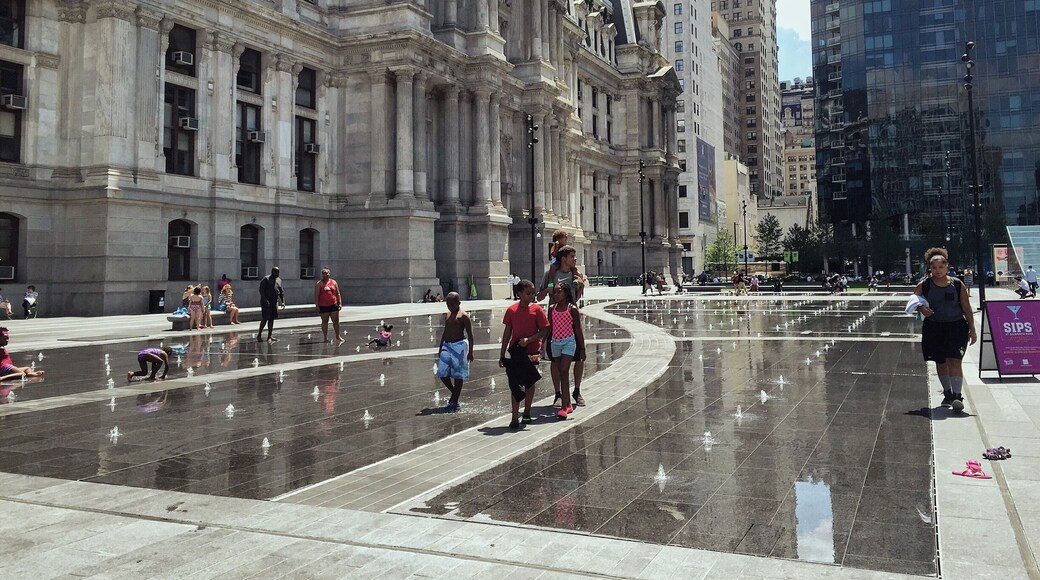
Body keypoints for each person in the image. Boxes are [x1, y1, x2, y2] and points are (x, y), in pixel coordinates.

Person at [913, 247, 977, 412]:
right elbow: (913, 301)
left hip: (956, 327)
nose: (938, 270)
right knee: (940, 361)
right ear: (930, 268)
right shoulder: (924, 285)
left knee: (955, 360)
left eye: (941, 267)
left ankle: (957, 396)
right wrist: (921, 308)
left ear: (947, 267)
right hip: (934, 328)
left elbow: (966, 308)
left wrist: (972, 329)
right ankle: (947, 393)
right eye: (934, 267)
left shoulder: (957, 284)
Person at [540, 245, 588, 407]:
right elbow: (539, 297)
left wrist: (580, 286)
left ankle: (577, 390)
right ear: (563, 258)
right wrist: (549, 289)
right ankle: (558, 394)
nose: (575, 259)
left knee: (579, 357)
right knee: (555, 360)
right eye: (572, 257)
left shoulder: (576, 274)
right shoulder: (551, 274)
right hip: (554, 319)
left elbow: (576, 298)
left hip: (571, 317)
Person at [499, 279, 549, 430]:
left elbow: (545, 330)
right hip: (516, 351)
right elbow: (507, 333)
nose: (531, 296)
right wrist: (502, 353)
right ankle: (514, 416)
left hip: (532, 351)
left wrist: (530, 340)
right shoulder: (511, 310)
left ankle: (526, 412)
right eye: (528, 293)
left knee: (529, 382)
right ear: (519, 294)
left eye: (533, 293)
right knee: (515, 383)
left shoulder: (537, 310)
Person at [548, 285, 585, 420]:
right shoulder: (552, 308)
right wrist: (542, 344)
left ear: (566, 293)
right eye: (554, 292)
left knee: (564, 372)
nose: (556, 294)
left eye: (559, 292)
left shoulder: (572, 309)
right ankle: (568, 403)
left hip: (568, 342)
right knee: (560, 371)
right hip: (555, 343)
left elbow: (578, 329)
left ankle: (564, 408)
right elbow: (549, 327)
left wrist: (582, 348)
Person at [437, 292, 475, 412]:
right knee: (442, 373)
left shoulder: (463, 316)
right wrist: (440, 347)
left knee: (458, 374)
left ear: (459, 303)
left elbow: (470, 334)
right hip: (447, 345)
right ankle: (455, 393)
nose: (450, 307)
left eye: (452, 305)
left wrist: (471, 352)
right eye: (448, 304)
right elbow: (445, 331)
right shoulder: (448, 315)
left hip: (459, 346)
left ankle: (454, 401)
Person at [314, 268, 345, 343]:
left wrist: (340, 303)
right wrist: (317, 305)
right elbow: (316, 295)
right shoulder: (319, 284)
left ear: (329, 274)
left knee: (336, 321)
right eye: (323, 274)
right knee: (325, 321)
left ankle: (337, 336)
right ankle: (325, 337)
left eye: (326, 274)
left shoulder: (334, 282)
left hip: (333, 304)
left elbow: (338, 293)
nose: (325, 275)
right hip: (323, 305)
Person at [257, 267, 284, 342]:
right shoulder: (266, 279)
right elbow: (261, 290)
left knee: (271, 319)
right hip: (266, 303)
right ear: (272, 272)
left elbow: (281, 292)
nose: (278, 273)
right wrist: (265, 300)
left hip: (274, 302)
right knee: (265, 318)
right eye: (276, 272)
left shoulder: (279, 280)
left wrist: (283, 302)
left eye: (278, 272)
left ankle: (269, 336)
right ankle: (259, 335)